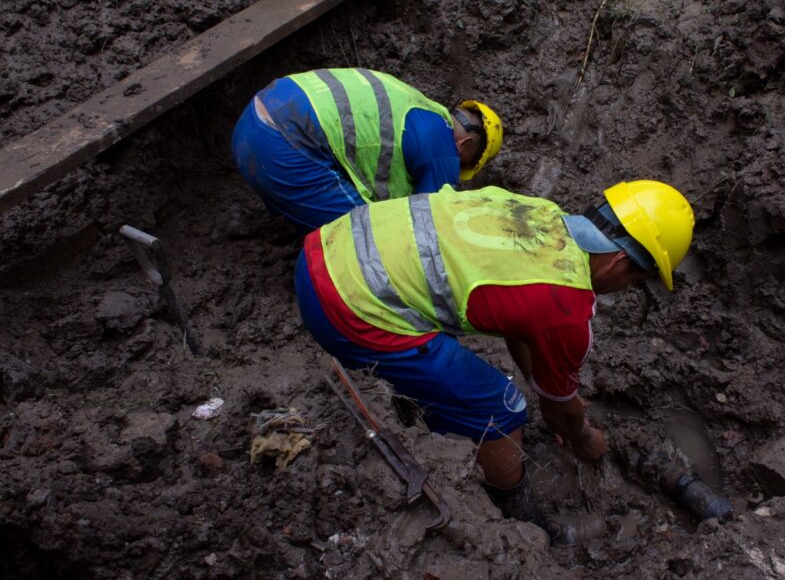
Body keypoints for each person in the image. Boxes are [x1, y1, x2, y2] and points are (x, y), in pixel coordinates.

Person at [294, 180, 694, 523]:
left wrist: (545, 384)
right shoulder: (566, 305)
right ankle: (511, 509)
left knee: (463, 375)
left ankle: (431, 408)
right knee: (502, 409)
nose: (628, 288)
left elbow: (520, 330)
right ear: (621, 263)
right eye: (637, 280)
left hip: (326, 248)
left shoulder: (541, 213)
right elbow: (558, 408)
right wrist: (583, 436)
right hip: (345, 308)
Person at [231, 68, 503, 231]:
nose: (456, 170)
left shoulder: (411, 102)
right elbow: (428, 225)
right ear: (464, 144)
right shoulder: (444, 148)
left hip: (254, 120)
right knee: (368, 239)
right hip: (283, 143)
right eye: (463, 164)